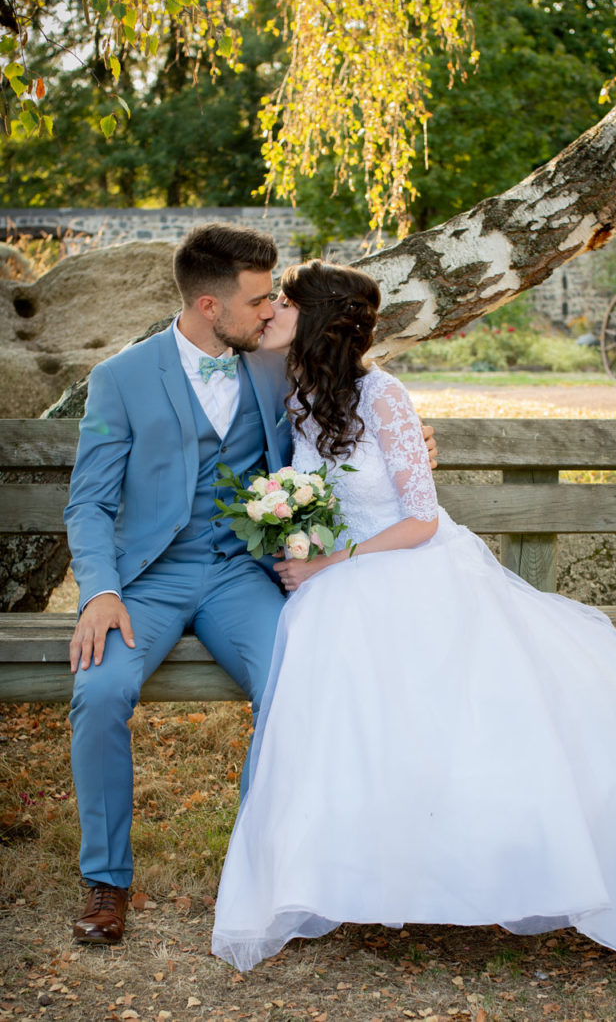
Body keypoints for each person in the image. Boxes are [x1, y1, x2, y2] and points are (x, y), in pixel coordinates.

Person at [211, 260, 616, 1002]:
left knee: (457, 703)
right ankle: (348, 869)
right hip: (340, 578)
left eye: (285, 302)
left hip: (407, 564)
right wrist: (305, 548)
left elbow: (420, 520)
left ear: (317, 318)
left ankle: (486, 864)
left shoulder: (384, 397)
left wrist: (330, 561)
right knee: (333, 669)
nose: (272, 310)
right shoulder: (302, 391)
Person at [64, 222, 435, 946]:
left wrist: (418, 441)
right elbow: (90, 502)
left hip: (243, 573)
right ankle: (106, 881)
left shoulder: (273, 365)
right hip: (150, 581)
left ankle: (259, 868)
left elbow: (354, 400)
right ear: (210, 305)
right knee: (99, 689)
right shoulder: (121, 379)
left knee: (295, 683)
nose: (271, 313)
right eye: (259, 300)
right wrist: (100, 591)